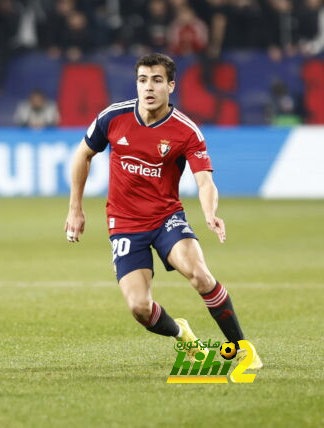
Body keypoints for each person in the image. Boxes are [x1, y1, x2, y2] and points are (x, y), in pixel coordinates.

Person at [64, 53, 262, 368]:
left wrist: (210, 213)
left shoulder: (186, 131)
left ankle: (241, 348)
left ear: (171, 85)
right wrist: (75, 208)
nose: (148, 87)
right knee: (140, 308)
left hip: (166, 218)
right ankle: (181, 333)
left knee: (199, 274)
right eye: (142, 80)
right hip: (125, 224)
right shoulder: (113, 117)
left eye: (157, 80)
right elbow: (82, 154)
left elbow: (205, 181)